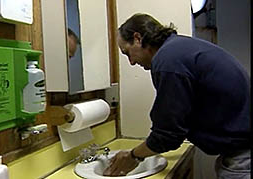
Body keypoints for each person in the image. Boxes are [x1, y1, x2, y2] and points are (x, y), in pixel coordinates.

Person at [103, 13, 250, 178]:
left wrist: (132, 156)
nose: (131, 62)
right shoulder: (180, 48)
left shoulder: (168, 60)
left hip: (244, 157)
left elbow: (168, 134)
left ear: (138, 38)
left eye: (127, 53)